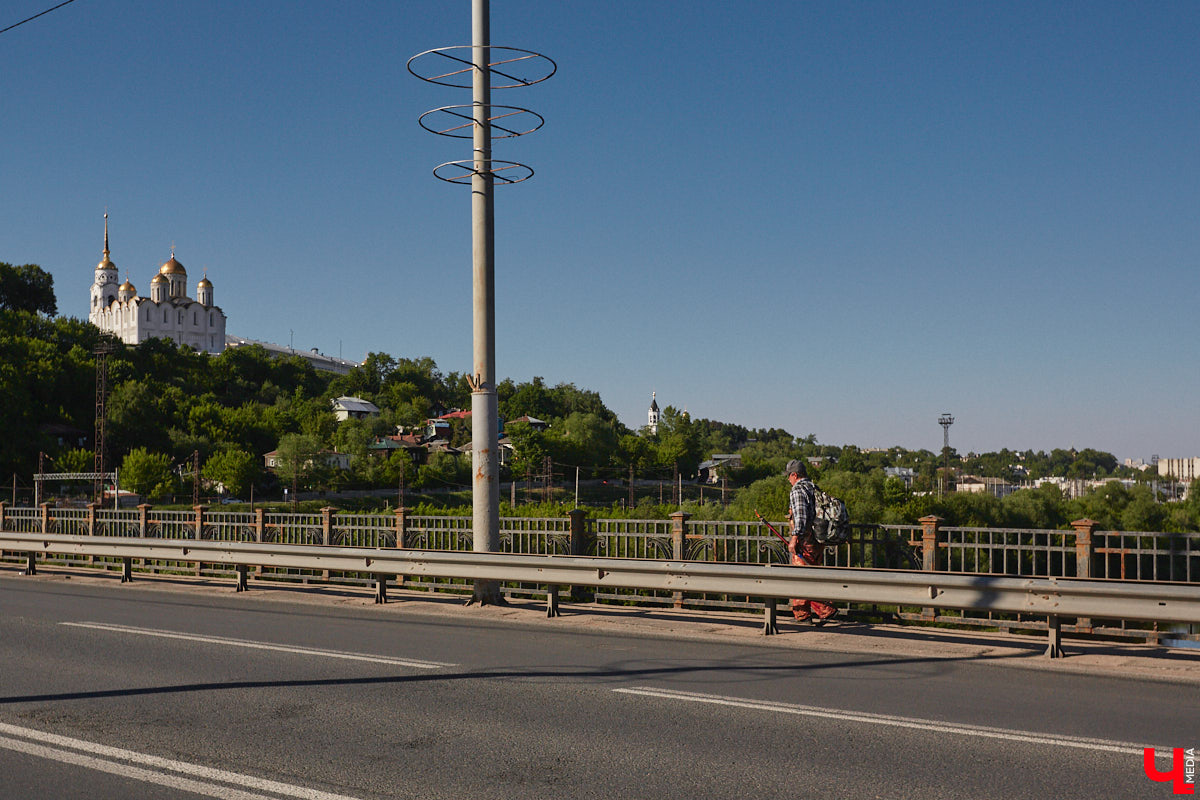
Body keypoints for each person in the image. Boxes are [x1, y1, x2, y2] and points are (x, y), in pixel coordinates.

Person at [784, 459, 839, 625]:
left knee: (800, 577)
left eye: (789, 476)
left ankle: (807, 615)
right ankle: (822, 611)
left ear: (794, 475)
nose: (788, 480)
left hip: (805, 540)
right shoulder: (813, 487)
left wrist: (794, 539)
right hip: (817, 539)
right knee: (812, 575)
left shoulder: (797, 490)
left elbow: (800, 518)